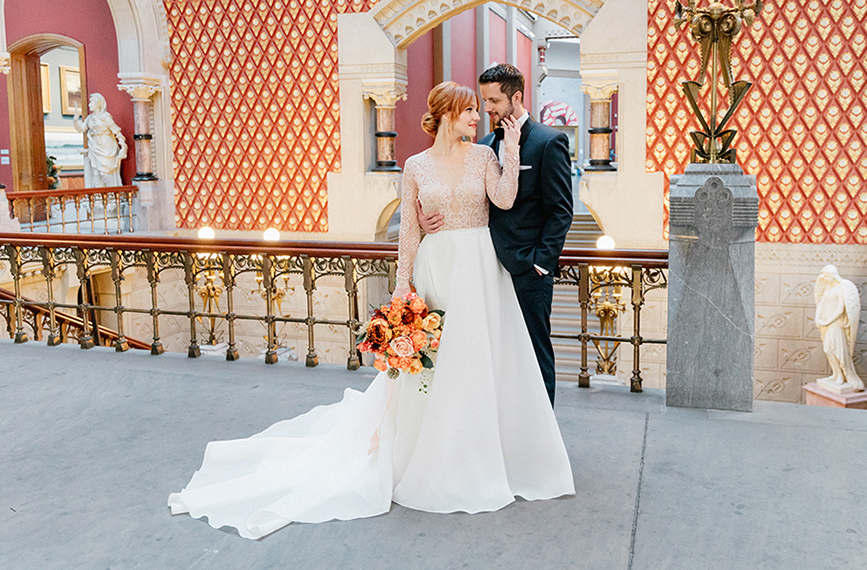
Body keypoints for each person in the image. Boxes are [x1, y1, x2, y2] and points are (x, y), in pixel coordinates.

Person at [168, 81, 574, 539]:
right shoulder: (416, 165)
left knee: (478, 360)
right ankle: (431, 452)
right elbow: (407, 234)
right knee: (435, 365)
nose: (478, 118)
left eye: (481, 110)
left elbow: (503, 200)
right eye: (469, 111)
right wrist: (403, 288)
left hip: (481, 270)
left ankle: (478, 451)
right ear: (446, 113)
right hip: (438, 268)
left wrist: (516, 144)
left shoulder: (484, 155)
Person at [419, 64, 574, 405]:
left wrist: (541, 264)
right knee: (497, 355)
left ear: (515, 97)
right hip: (485, 268)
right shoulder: (486, 145)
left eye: (492, 100)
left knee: (533, 352)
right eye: (483, 101)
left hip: (527, 269)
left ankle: (540, 429)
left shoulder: (549, 142)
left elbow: (561, 210)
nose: (486, 109)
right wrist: (422, 216)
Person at [73, 93, 128, 189]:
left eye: (92, 103)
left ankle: (112, 197)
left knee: (105, 174)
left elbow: (117, 131)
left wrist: (123, 146)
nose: (90, 105)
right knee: (96, 174)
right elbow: (81, 128)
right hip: (94, 146)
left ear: (98, 103)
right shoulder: (90, 118)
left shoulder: (105, 117)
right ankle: (99, 200)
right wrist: (75, 121)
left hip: (106, 147)